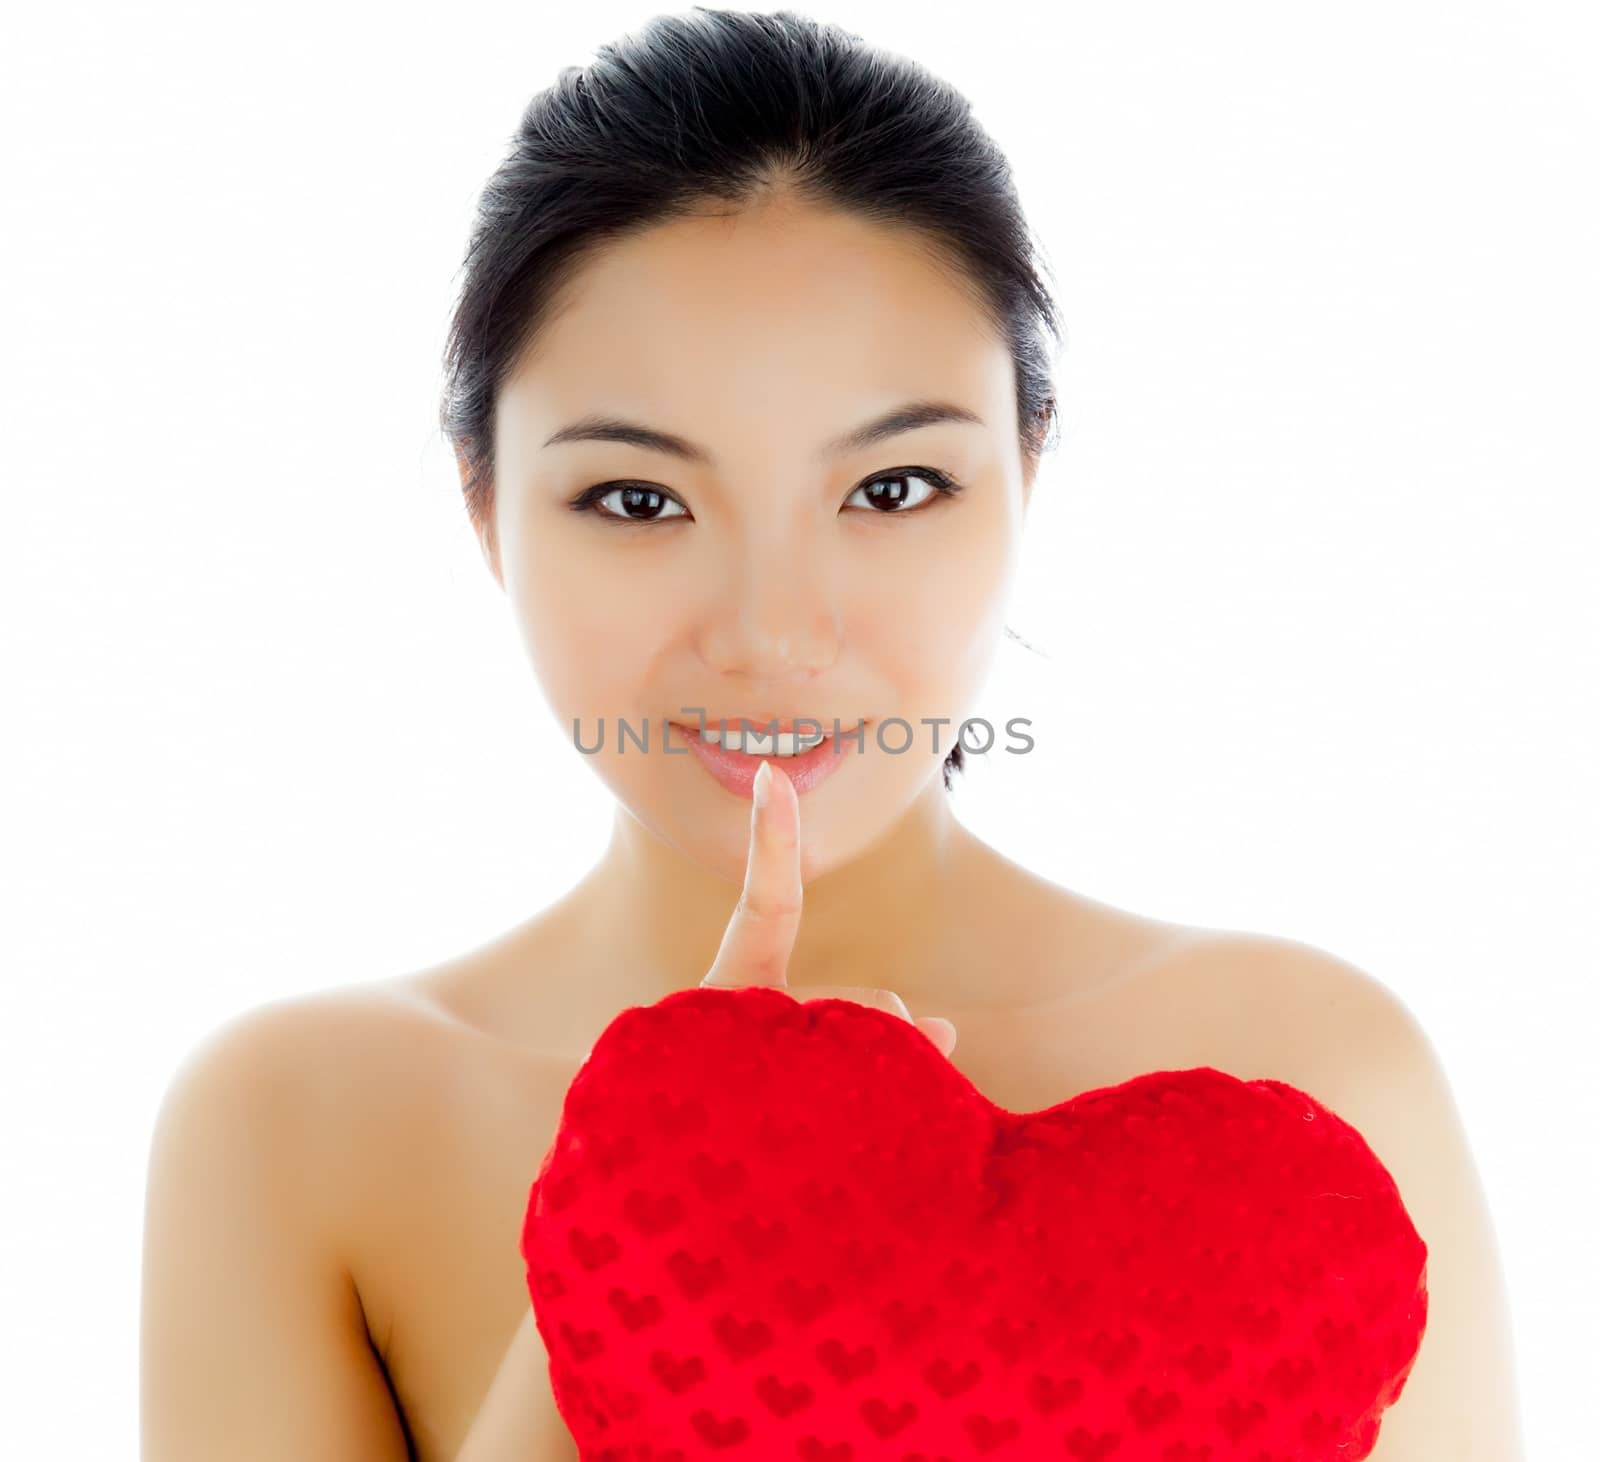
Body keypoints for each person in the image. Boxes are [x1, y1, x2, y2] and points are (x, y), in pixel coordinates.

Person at [140, 8, 1524, 1460]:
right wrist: (660, 1208)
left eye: (893, 488)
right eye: (636, 499)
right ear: (487, 507)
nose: (773, 631)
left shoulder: (1316, 1074)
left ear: (1026, 473)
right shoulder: (298, 1124)